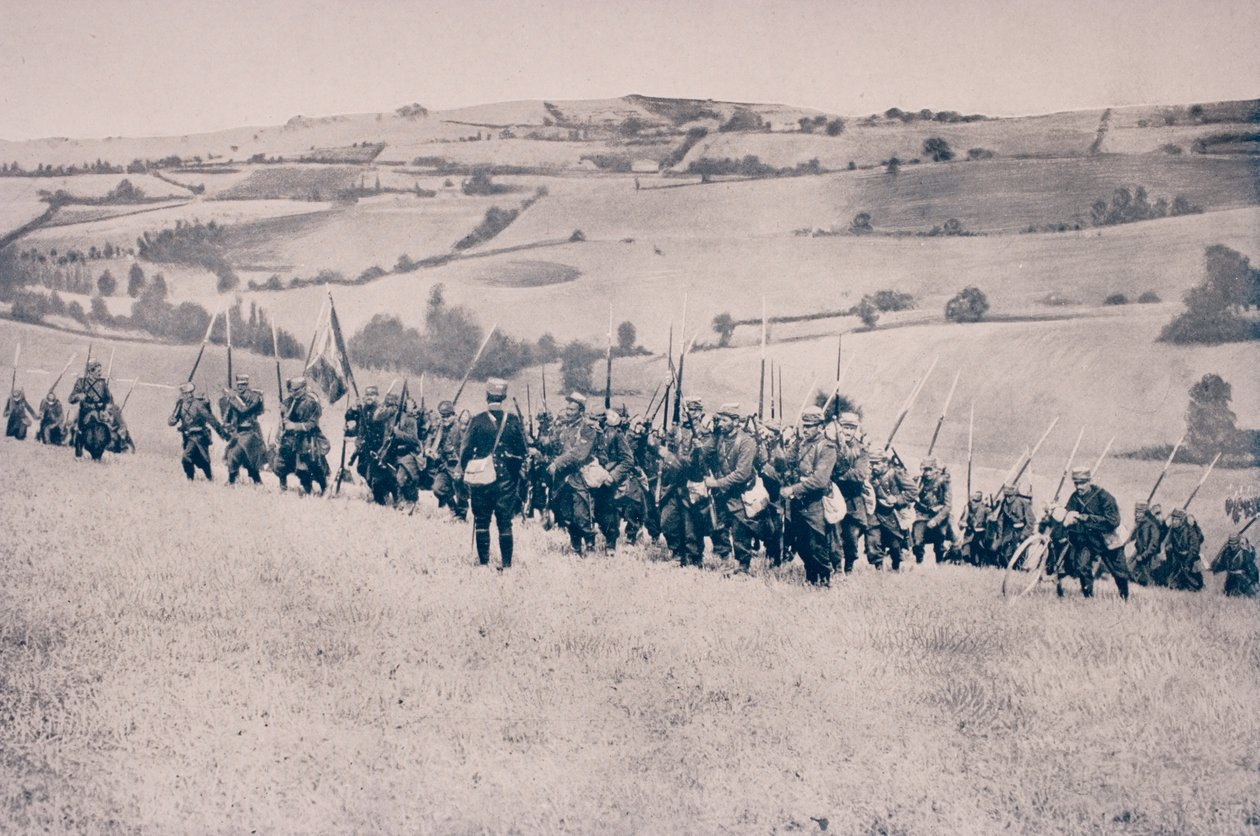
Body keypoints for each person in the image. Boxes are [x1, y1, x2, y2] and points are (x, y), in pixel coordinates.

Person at [460, 379, 528, 569]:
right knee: (505, 521)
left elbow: (465, 450)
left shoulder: (477, 420)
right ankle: (506, 565)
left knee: (482, 520)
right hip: (507, 478)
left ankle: (483, 564)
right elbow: (523, 450)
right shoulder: (513, 420)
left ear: (487, 396)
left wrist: (467, 470)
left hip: (481, 477)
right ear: (504, 397)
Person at [780, 406, 837, 586]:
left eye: (810, 426)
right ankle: (811, 578)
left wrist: (793, 489)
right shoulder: (802, 444)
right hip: (798, 503)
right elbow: (786, 464)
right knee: (802, 544)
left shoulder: (827, 447)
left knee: (817, 545)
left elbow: (820, 480)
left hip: (815, 502)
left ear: (820, 427)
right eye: (804, 426)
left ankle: (825, 579)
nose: (806, 430)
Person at [702, 403, 758, 574]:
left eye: (724, 420)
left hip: (739, 493)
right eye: (719, 420)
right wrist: (706, 437)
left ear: (736, 421)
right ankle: (725, 559)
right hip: (721, 493)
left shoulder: (747, 442)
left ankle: (743, 567)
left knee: (740, 530)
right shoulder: (718, 437)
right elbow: (703, 453)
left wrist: (717, 483)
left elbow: (742, 473)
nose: (720, 424)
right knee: (717, 526)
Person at [1060, 467, 1130, 599]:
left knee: (1119, 573)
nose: (1079, 486)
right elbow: (1068, 511)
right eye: (1076, 483)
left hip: (1109, 540)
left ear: (1089, 481)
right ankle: (1088, 597)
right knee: (1082, 567)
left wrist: (1085, 517)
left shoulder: (1104, 496)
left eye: (1082, 483)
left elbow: (1113, 521)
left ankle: (1124, 597)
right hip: (1088, 540)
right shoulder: (1074, 497)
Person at [548, 392, 600, 554]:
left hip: (580, 478)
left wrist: (558, 463)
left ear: (581, 411)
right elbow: (555, 446)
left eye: (572, 409)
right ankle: (575, 546)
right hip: (563, 480)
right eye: (567, 409)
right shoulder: (565, 428)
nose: (569, 412)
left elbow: (579, 454)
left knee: (582, 515)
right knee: (565, 514)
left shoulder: (588, 429)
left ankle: (590, 546)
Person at [829, 412, 871, 573]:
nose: (847, 432)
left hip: (853, 500)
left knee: (852, 538)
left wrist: (840, 474)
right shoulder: (831, 445)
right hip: (834, 498)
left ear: (856, 430)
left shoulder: (861, 450)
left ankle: (849, 566)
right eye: (845, 427)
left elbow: (860, 474)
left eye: (851, 428)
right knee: (835, 536)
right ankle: (837, 568)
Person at [276, 377, 329, 494]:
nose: (293, 393)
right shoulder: (288, 402)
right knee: (281, 463)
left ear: (304, 388)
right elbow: (282, 422)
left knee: (310, 467)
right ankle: (301, 490)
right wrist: (279, 432)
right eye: (291, 390)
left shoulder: (312, 404)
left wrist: (294, 426)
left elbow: (312, 424)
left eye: (296, 390)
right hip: (290, 440)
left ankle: (324, 488)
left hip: (307, 439)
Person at [867, 449, 916, 571]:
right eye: (871, 463)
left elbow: (913, 491)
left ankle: (896, 566)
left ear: (885, 463)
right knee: (873, 540)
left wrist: (897, 499)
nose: (873, 467)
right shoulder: (870, 477)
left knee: (895, 545)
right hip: (875, 513)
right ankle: (878, 568)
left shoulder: (896, 474)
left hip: (893, 515)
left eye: (876, 463)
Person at [169, 381, 226, 481]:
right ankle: (198, 478)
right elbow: (172, 422)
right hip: (186, 436)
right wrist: (172, 418)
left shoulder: (198, 404)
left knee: (187, 457)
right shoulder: (180, 404)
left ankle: (196, 478)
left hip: (199, 436)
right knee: (199, 460)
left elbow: (210, 418)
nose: (190, 395)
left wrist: (222, 433)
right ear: (183, 394)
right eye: (187, 393)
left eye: (191, 392)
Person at [218, 374, 265, 484]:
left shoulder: (255, 396)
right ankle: (256, 481)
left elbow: (244, 410)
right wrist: (227, 423)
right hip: (238, 431)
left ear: (247, 384)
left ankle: (231, 481)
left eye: (243, 385)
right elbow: (228, 413)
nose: (240, 387)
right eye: (239, 385)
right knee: (243, 458)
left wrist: (233, 398)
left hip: (250, 432)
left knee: (236, 454)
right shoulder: (234, 396)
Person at [426, 400, 468, 520]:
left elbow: (465, 449)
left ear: (454, 415)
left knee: (460, 491)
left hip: (457, 466)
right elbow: (430, 438)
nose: (445, 419)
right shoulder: (439, 428)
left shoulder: (460, 429)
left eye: (448, 416)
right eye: (443, 416)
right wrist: (429, 449)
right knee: (438, 489)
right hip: (443, 465)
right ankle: (453, 510)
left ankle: (461, 516)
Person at [68, 359, 113, 457]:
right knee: (80, 433)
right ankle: (79, 454)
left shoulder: (102, 384)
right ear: (90, 371)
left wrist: (105, 409)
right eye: (98, 371)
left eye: (100, 371)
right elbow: (71, 399)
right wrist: (79, 396)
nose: (100, 374)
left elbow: (109, 400)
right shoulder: (81, 382)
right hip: (85, 413)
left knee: (103, 433)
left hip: (99, 414)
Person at [912, 457, 953, 565]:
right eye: (925, 470)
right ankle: (919, 562)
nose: (927, 473)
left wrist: (936, 520)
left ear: (936, 470)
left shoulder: (943, 482)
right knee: (917, 542)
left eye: (930, 469)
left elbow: (948, 506)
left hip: (939, 516)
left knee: (939, 543)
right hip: (922, 515)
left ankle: (940, 564)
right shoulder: (920, 481)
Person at [1157, 509, 1204, 592]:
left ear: (1181, 521)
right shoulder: (1172, 529)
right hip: (1178, 559)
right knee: (1169, 582)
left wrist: (1187, 562)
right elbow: (1164, 542)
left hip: (1190, 559)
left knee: (1195, 585)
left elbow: (1194, 549)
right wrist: (1162, 552)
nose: (1174, 522)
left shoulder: (1190, 531)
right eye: (1173, 519)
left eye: (1176, 519)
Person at [343, 384, 382, 482]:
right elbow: (359, 426)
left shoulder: (380, 410)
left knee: (375, 471)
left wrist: (355, 439)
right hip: (365, 446)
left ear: (377, 397)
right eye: (367, 395)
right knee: (361, 469)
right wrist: (353, 409)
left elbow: (377, 429)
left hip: (377, 446)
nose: (369, 397)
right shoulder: (364, 409)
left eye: (372, 395)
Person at [991, 483, 1035, 568]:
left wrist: (1025, 534)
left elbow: (1031, 520)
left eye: (1010, 496)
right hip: (1008, 529)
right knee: (1002, 548)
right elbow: (1001, 518)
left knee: (1018, 550)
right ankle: (1005, 566)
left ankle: (1017, 567)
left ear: (1015, 495)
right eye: (1006, 496)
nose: (1008, 499)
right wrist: (1000, 532)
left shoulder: (1022, 503)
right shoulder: (1004, 502)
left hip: (1020, 530)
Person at [1129, 501, 1165, 586]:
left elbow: (1153, 545)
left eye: (1139, 512)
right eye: (1136, 512)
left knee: (1148, 581)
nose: (1137, 514)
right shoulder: (1140, 524)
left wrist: (1143, 556)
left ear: (1145, 513)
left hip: (1149, 557)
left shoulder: (1152, 526)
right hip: (1140, 555)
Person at [1210, 533, 1258, 598]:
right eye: (1231, 544)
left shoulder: (1244, 553)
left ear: (1238, 543)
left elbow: (1252, 569)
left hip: (1243, 580)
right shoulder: (1227, 552)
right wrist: (1214, 568)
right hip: (1231, 580)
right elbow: (1222, 565)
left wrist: (1254, 582)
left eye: (1234, 544)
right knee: (1229, 596)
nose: (1233, 546)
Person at [958, 491, 992, 566]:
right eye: (972, 500)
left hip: (981, 535)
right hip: (969, 535)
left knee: (980, 550)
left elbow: (991, 520)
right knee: (966, 551)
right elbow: (961, 521)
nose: (974, 503)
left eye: (976, 501)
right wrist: (963, 523)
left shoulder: (985, 508)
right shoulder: (967, 508)